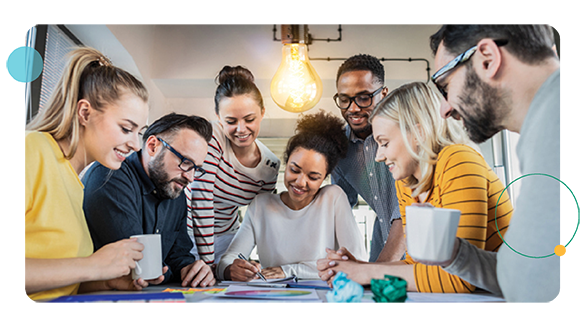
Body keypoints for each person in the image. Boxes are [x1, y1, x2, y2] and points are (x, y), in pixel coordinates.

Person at [427, 24, 579, 302]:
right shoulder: (553, 116)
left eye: (444, 86)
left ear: (487, 59)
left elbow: (538, 289)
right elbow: (526, 271)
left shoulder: (564, 121)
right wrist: (454, 254)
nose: (445, 108)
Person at [317, 82, 514, 293]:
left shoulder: (458, 160)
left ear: (418, 133)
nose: (379, 156)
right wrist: (359, 268)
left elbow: (460, 278)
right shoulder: (406, 183)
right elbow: (416, 266)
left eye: (384, 143)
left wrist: (366, 273)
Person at [6, 47, 150, 303]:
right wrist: (94, 265)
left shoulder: (75, 183)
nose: (136, 145)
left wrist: (106, 279)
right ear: (85, 113)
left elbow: (53, 283)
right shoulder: (30, 149)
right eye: (126, 128)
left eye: (139, 132)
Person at [217, 111, 367, 281]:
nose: (300, 182)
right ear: (286, 163)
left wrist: (290, 270)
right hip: (274, 297)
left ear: (324, 177)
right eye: (294, 170)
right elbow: (227, 260)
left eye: (313, 177)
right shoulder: (261, 205)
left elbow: (356, 262)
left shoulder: (333, 197)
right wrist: (230, 270)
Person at [82, 113, 216, 288]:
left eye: (196, 169)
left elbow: (179, 256)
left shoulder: (175, 192)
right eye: (185, 162)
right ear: (153, 146)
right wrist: (173, 271)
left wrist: (194, 271)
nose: (190, 177)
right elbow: (139, 269)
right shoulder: (110, 176)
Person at [187, 66, 280, 265]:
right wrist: (207, 262)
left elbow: (261, 218)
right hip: (186, 232)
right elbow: (201, 195)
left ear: (262, 112)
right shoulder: (213, 135)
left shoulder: (270, 166)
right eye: (231, 121)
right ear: (219, 117)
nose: (241, 129)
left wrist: (270, 264)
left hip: (227, 238)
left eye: (249, 119)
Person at [331, 54, 403, 263]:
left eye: (364, 97)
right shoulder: (340, 150)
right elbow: (340, 208)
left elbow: (409, 210)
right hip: (381, 247)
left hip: (423, 249)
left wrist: (378, 270)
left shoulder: (406, 135)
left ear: (384, 94)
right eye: (344, 99)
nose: (353, 108)